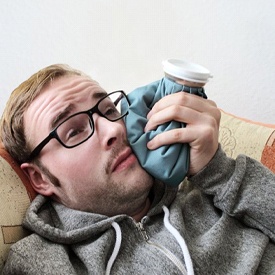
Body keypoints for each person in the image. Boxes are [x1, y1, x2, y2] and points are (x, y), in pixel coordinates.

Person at [0, 64, 274, 275]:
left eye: (108, 110)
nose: (115, 129)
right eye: (73, 130)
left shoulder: (216, 190)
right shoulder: (43, 261)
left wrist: (219, 172)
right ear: (40, 178)